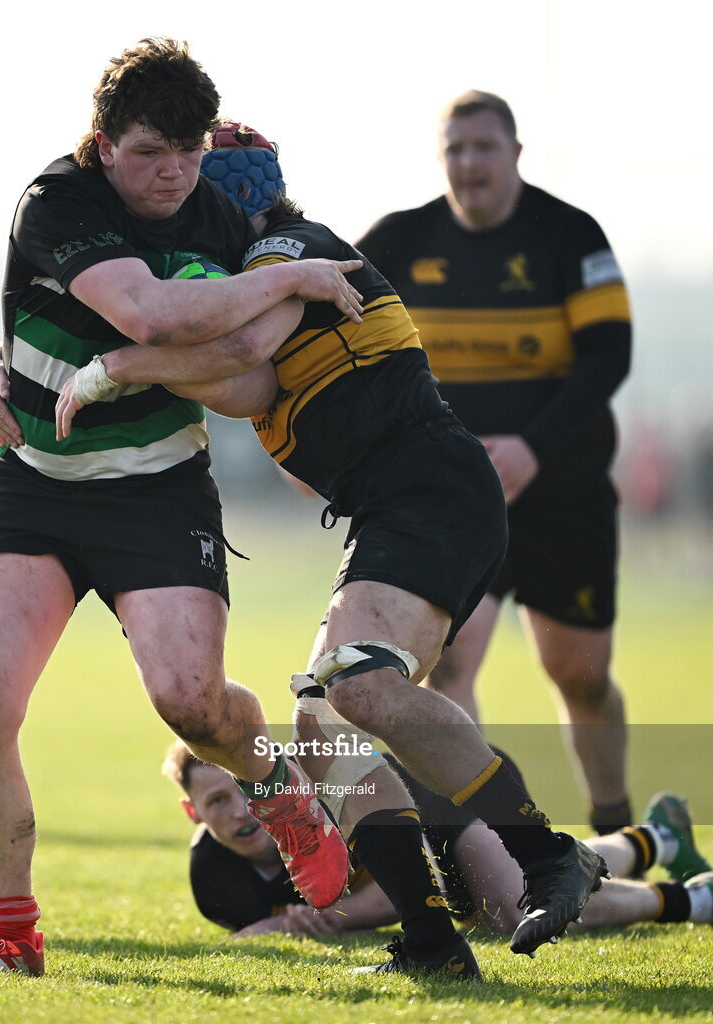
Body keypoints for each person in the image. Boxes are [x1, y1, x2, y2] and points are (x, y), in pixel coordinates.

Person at [56, 121, 613, 975]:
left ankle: (541, 854)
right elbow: (245, 382)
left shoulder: (289, 247)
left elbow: (241, 347)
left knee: (356, 686)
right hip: (401, 506)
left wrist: (115, 368)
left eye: (191, 182)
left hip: (431, 488)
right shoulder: (256, 283)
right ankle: (432, 944)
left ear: (227, 189)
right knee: (322, 719)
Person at [0, 39, 367, 979]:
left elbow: (249, 381)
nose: (172, 173)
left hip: (157, 491)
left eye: (189, 150)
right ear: (104, 143)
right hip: (31, 483)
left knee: (191, 705)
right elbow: (152, 315)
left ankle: (277, 787)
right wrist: (274, 287)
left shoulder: (226, 217)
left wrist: (229, 320)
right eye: (150, 151)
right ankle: (8, 936)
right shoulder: (57, 199)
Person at [355, 91, 634, 837]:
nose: (469, 163)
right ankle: (480, 851)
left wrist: (530, 448)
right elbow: (335, 344)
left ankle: (619, 825)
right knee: (448, 667)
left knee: (577, 674)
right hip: (449, 497)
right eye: (455, 149)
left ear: (514, 153)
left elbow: (609, 357)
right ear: (439, 158)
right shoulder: (397, 240)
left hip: (560, 490)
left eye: (483, 147)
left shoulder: (569, 236)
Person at [163, 741, 713, 941]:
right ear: (193, 813)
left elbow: (403, 888)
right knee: (528, 888)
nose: (241, 811)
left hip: (439, 799)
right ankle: (655, 838)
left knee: (516, 907)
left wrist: (307, 924)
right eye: (216, 802)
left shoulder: (307, 801)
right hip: (427, 831)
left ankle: (695, 900)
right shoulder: (214, 883)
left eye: (244, 790)